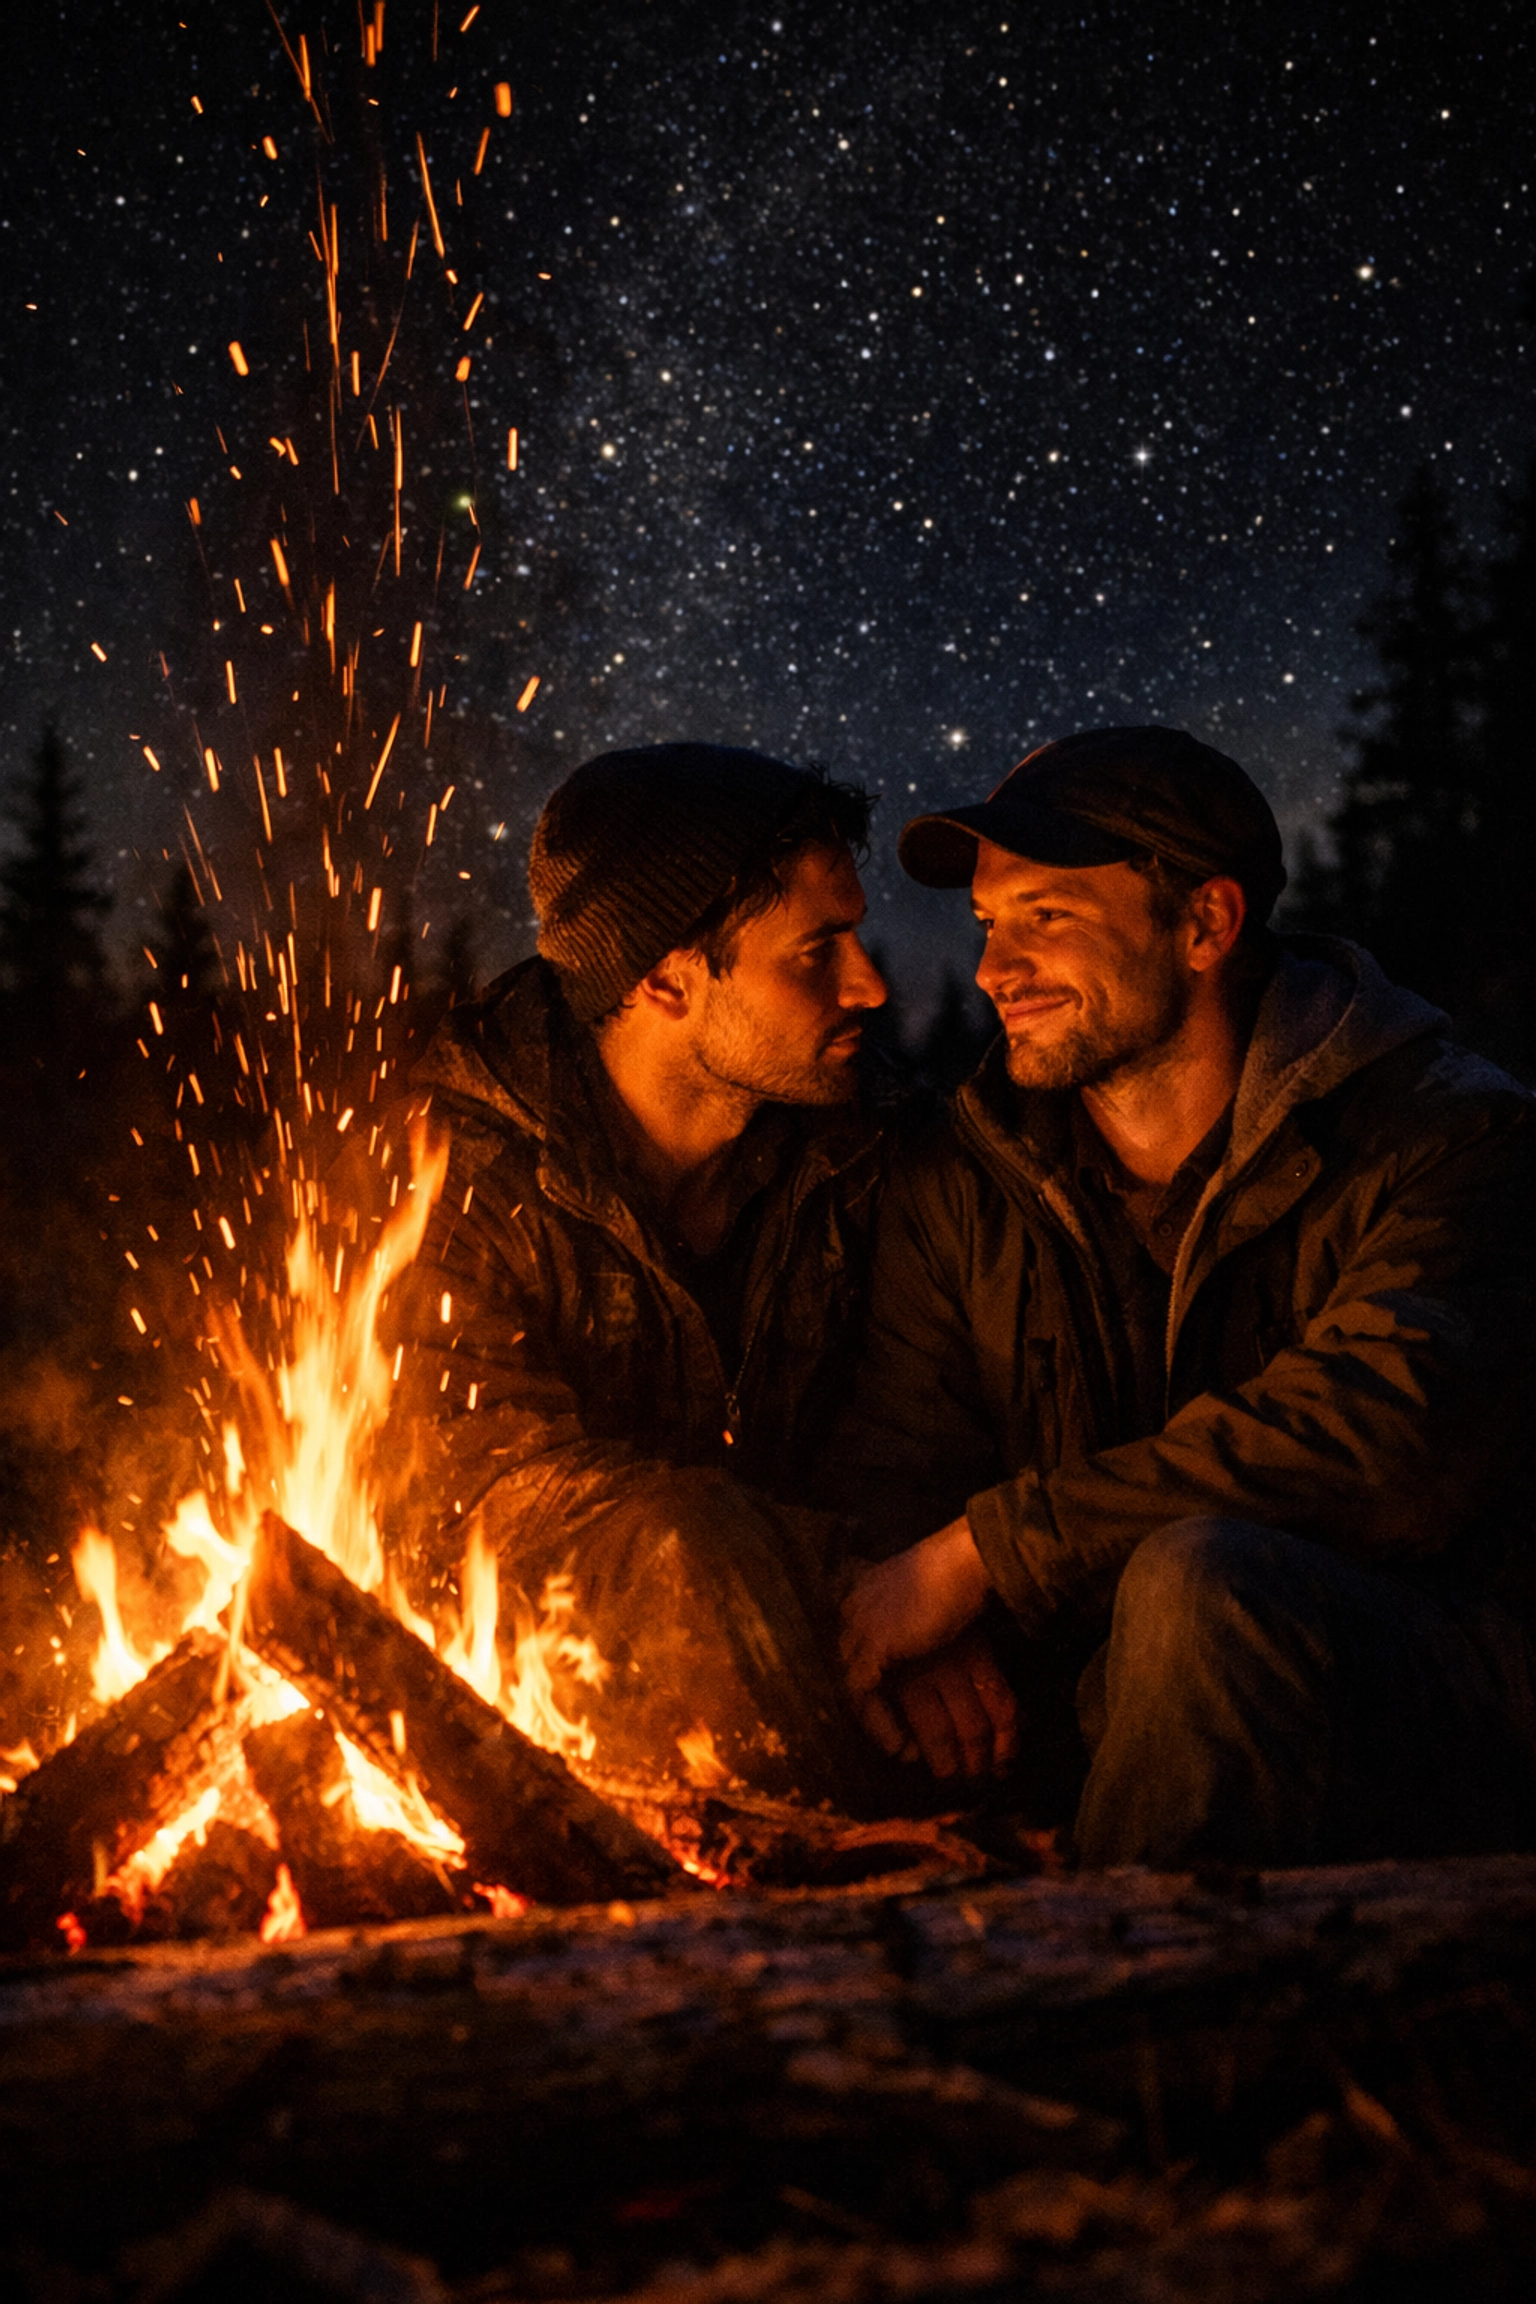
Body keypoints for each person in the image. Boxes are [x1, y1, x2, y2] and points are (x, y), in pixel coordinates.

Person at [830, 724, 1536, 1867]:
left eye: (1047, 917)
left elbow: (1386, 1434)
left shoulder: (1448, 1134)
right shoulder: (971, 1174)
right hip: (1091, 1709)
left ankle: (1108, 2013)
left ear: (1205, 924)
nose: (996, 970)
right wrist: (921, 1607)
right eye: (989, 926)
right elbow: (893, 1448)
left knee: (1204, 1587)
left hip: (1426, 1702)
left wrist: (985, 1555)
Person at [383, 742, 893, 1802]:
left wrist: (913, 1601)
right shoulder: (447, 1178)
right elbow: (496, 1501)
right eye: (817, 951)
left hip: (863, 1688)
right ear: (663, 974)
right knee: (681, 1543)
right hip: (544, 1732)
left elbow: (924, 1438)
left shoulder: (868, 1157)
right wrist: (857, 1588)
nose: (872, 986)